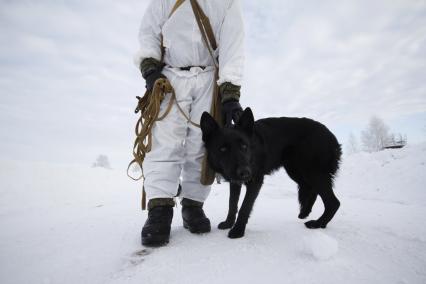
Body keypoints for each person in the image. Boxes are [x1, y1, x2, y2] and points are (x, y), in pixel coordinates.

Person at [135, 0, 244, 246]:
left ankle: (193, 206)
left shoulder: (227, 4)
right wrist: (151, 70)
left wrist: (230, 95)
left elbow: (233, 46)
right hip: (170, 78)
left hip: (209, 79)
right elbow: (149, 31)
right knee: (164, 143)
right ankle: (159, 210)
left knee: (201, 147)